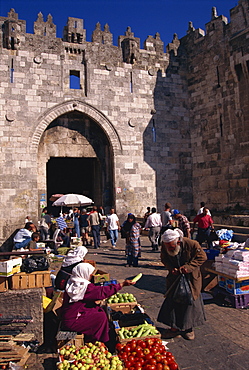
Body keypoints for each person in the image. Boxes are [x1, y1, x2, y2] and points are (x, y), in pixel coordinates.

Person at [61, 263, 135, 343]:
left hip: (70, 314)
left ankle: (94, 337)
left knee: (97, 309)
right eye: (90, 274)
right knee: (100, 316)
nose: (91, 276)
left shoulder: (73, 282)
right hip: (73, 320)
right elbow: (102, 292)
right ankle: (99, 340)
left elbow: (84, 297)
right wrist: (122, 284)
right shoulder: (84, 287)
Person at [157, 228, 207, 340]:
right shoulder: (165, 246)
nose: (169, 249)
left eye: (171, 247)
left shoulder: (192, 244)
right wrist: (171, 269)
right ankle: (174, 329)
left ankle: (188, 329)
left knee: (190, 303)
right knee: (173, 302)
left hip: (191, 279)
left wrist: (188, 268)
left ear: (178, 242)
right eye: (167, 247)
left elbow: (202, 257)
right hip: (175, 279)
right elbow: (164, 259)